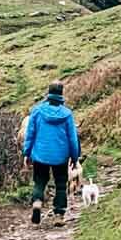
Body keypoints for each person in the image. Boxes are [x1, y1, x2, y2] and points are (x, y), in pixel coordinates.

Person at [22, 81, 81, 227]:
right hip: (61, 156)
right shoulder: (67, 114)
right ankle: (59, 215)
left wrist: (27, 153)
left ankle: (37, 203)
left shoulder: (37, 111)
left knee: (40, 181)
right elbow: (73, 138)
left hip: (40, 154)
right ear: (61, 94)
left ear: (48, 93)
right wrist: (75, 157)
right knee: (61, 184)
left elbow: (30, 134)